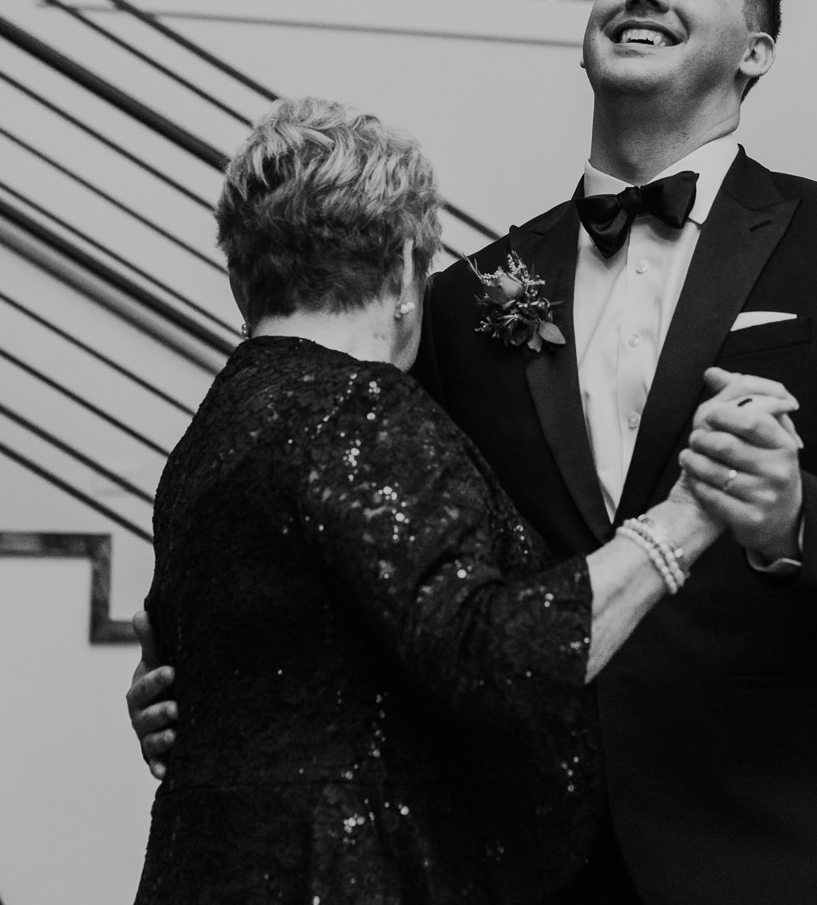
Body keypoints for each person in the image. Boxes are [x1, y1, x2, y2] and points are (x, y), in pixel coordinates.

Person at [132, 0, 817, 903]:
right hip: (545, 864)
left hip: (795, 845)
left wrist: (794, 516)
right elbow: (361, 527)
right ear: (585, 38)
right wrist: (210, 674)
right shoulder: (465, 296)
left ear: (755, 51)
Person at [130, 96, 768, 905]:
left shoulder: (210, 435)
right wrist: (692, 511)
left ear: (237, 272)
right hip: (341, 877)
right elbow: (490, 659)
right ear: (404, 267)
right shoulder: (359, 409)